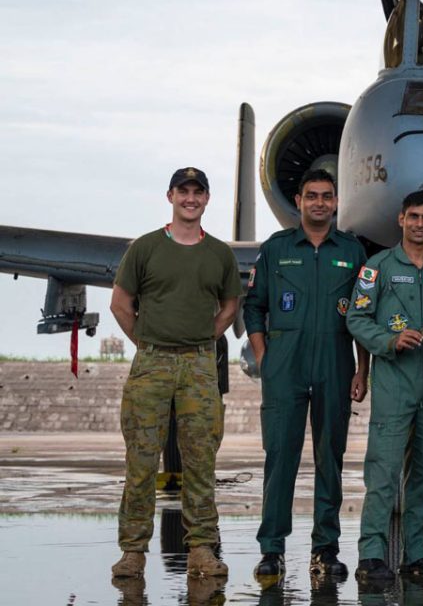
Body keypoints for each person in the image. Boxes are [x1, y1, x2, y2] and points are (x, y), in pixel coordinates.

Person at [109, 167, 241, 579]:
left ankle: (202, 548)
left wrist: (202, 339)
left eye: (197, 192)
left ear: (206, 200)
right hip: (152, 362)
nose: (190, 198)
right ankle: (133, 551)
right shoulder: (145, 248)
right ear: (170, 196)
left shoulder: (219, 254)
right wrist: (149, 343)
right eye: (183, 191)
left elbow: (230, 306)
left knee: (201, 458)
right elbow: (120, 303)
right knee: (141, 459)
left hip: (200, 364)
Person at [243, 168, 369, 579]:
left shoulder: (352, 252)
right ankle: (272, 548)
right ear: (298, 201)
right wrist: (264, 357)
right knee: (280, 458)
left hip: (335, 363)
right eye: (311, 195)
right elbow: (254, 306)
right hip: (285, 367)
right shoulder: (276, 248)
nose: (319, 203)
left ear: (336, 202)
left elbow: (364, 315)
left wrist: (361, 369)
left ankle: (325, 549)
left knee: (329, 458)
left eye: (327, 196)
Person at [345, 190, 423, 583]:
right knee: (383, 473)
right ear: (401, 219)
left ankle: (416, 553)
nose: (420, 224)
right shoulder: (377, 268)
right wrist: (389, 341)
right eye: (413, 216)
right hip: (394, 383)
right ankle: (371, 555)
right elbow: (357, 319)